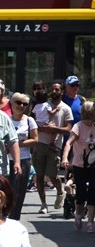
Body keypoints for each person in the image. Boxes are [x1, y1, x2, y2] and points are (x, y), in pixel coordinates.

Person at [33, 80, 72, 214]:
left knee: (52, 175)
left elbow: (68, 129)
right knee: (39, 176)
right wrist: (40, 128)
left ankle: (60, 191)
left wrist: (54, 129)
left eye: (57, 90)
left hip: (54, 146)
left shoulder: (66, 108)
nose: (54, 91)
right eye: (53, 89)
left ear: (62, 92)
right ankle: (43, 204)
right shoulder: (43, 104)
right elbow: (32, 121)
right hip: (39, 144)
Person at [61, 100, 95, 232]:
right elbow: (68, 143)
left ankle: (90, 222)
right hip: (79, 166)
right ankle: (78, 216)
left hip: (93, 167)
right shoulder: (78, 126)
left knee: (93, 194)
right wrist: (65, 158)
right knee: (81, 194)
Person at [7, 93, 38, 220]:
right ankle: (4, 217)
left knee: (19, 193)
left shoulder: (29, 121)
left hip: (24, 160)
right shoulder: (5, 119)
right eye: (18, 102)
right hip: (6, 160)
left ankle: (15, 219)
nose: (21, 106)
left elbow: (35, 140)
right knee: (6, 191)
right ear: (12, 103)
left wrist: (16, 144)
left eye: (24, 104)